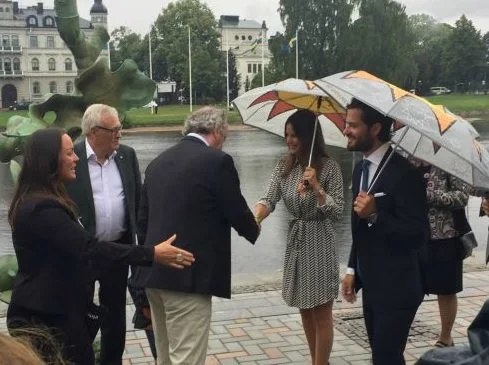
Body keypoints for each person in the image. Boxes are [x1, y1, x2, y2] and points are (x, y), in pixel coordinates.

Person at [6, 128, 194, 365]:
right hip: (45, 314)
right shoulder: (41, 209)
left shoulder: (43, 199)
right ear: (49, 160)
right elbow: (89, 248)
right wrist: (152, 254)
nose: (76, 158)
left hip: (56, 309)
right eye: (69, 153)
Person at [132, 106, 260, 365]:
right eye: (225, 137)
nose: (224, 143)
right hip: (187, 278)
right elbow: (237, 212)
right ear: (217, 131)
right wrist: (254, 225)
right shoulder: (216, 162)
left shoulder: (158, 162)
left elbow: (143, 223)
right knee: (187, 360)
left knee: (166, 359)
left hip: (155, 276)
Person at [340, 99, 429, 365]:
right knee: (383, 356)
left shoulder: (405, 174)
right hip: (371, 283)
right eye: (346, 124)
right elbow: (359, 227)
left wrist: (377, 215)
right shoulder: (359, 170)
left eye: (353, 125)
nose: (346, 130)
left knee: (385, 357)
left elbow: (417, 234)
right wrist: (352, 269)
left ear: (375, 128)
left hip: (399, 285)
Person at [254, 109, 344, 365]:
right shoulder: (285, 166)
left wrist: (317, 188)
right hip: (297, 241)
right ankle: (316, 359)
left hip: (320, 241)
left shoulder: (329, 168)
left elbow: (337, 212)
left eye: (294, 135)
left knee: (322, 310)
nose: (289, 140)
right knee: (304, 306)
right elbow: (268, 198)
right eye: (286, 135)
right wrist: (256, 217)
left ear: (308, 136)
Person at [65, 103, 147, 365]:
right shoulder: (71, 158)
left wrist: (143, 244)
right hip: (82, 254)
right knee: (79, 317)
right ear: (93, 132)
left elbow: (138, 205)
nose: (119, 134)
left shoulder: (127, 156)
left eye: (120, 129)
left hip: (118, 251)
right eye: (114, 130)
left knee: (114, 318)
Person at [410, 161, 468, 348]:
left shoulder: (450, 160)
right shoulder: (408, 159)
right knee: (411, 288)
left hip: (445, 234)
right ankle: (400, 333)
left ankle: (446, 337)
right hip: (414, 235)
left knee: (446, 289)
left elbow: (462, 197)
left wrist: (434, 197)